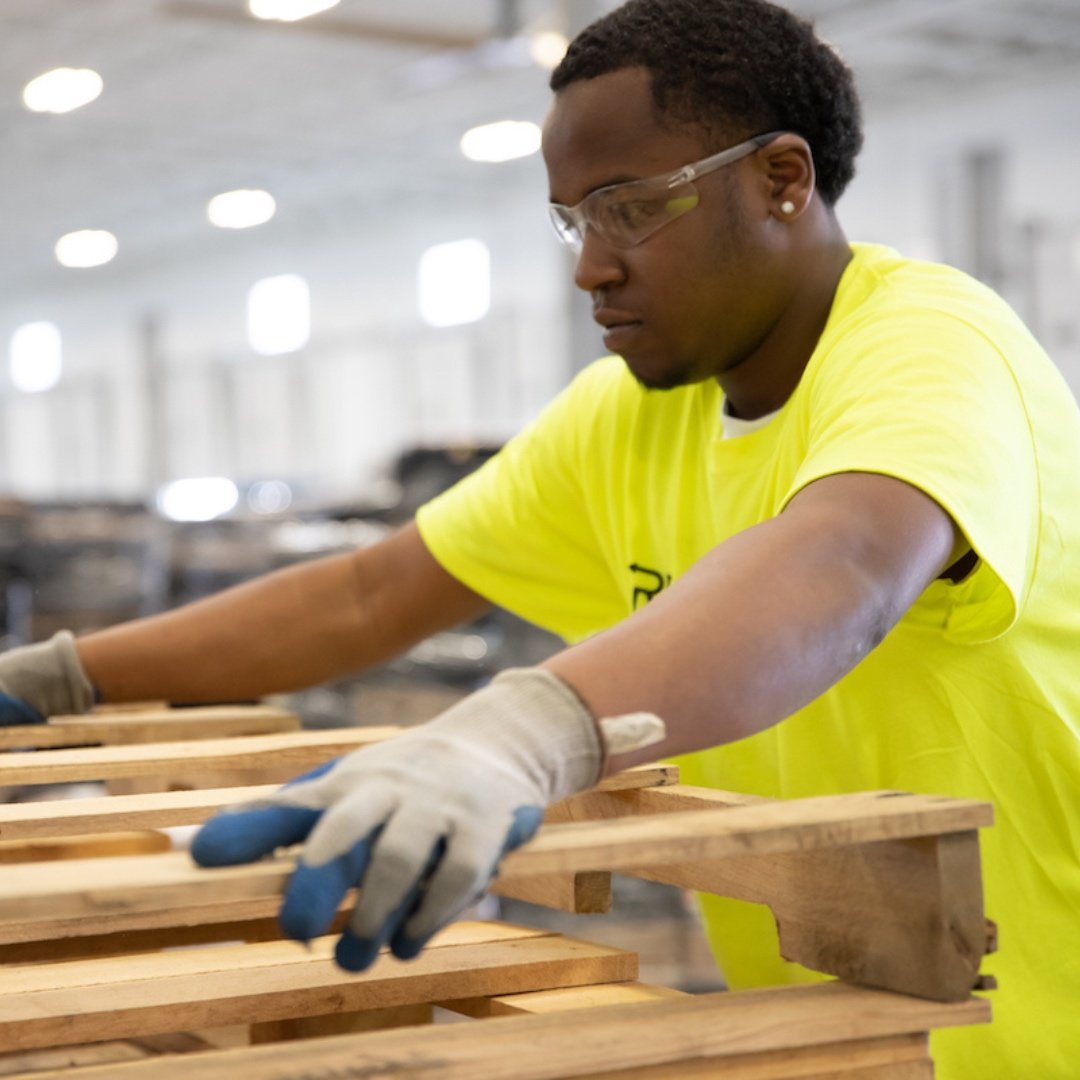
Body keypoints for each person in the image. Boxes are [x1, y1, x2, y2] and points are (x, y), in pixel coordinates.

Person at [1, 0, 1077, 1074]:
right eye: (573, 219)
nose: (589, 269)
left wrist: (512, 737)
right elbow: (372, 596)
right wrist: (60, 678)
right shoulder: (627, 416)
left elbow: (839, 565)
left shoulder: (929, 342)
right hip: (869, 1036)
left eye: (631, 208)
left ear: (782, 180)